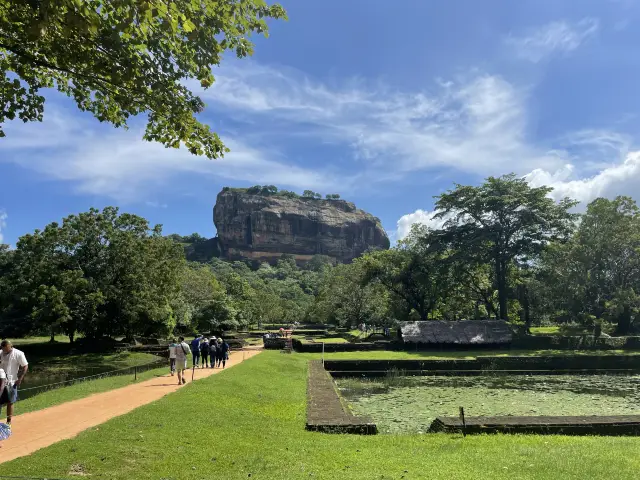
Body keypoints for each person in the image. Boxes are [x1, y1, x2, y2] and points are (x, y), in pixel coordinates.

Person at [0, 340, 28, 427]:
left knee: (10, 402)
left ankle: (8, 422)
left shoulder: (18, 353)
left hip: (11, 382)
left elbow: (25, 366)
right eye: (3, 349)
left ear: (10, 346)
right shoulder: (0, 352)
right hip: (0, 380)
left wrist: (20, 379)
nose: (4, 351)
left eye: (6, 349)